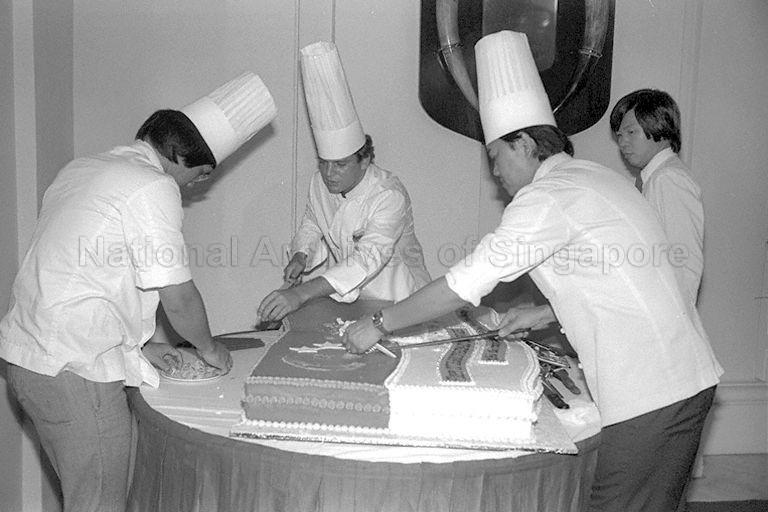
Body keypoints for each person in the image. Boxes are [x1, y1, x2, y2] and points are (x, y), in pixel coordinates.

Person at [344, 31, 723, 512]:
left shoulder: (545, 198)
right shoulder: (592, 176)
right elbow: (617, 275)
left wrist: (379, 323)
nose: (495, 172)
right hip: (685, 379)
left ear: (523, 143)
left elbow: (464, 283)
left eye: (495, 157)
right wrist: (544, 312)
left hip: (651, 394)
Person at [0, 72, 276, 512]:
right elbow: (178, 297)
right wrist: (209, 349)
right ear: (181, 157)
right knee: (102, 502)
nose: (196, 187)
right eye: (202, 175)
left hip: (31, 364)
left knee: (85, 496)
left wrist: (140, 350)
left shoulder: (87, 168)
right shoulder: (153, 185)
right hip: (75, 371)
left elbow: (82, 276)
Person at [257, 41, 430, 323]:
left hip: (401, 299)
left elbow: (367, 259)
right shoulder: (319, 183)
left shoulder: (389, 195)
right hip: (353, 302)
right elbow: (313, 222)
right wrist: (301, 254)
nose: (329, 173)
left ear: (365, 160)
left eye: (340, 165)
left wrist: (301, 294)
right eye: (323, 163)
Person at [611, 88, 704, 306]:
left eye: (631, 132)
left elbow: (683, 261)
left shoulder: (668, 179)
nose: (622, 143)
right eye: (619, 136)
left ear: (658, 126)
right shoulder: (653, 178)